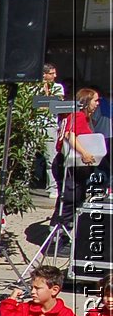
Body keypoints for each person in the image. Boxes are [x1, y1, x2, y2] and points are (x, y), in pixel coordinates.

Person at [56, 87, 103, 219]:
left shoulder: (84, 118)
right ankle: (60, 234)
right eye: (95, 100)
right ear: (86, 101)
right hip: (68, 165)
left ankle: (62, 230)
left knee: (68, 201)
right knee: (69, 201)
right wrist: (84, 153)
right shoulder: (78, 116)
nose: (98, 103)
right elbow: (69, 135)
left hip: (74, 165)